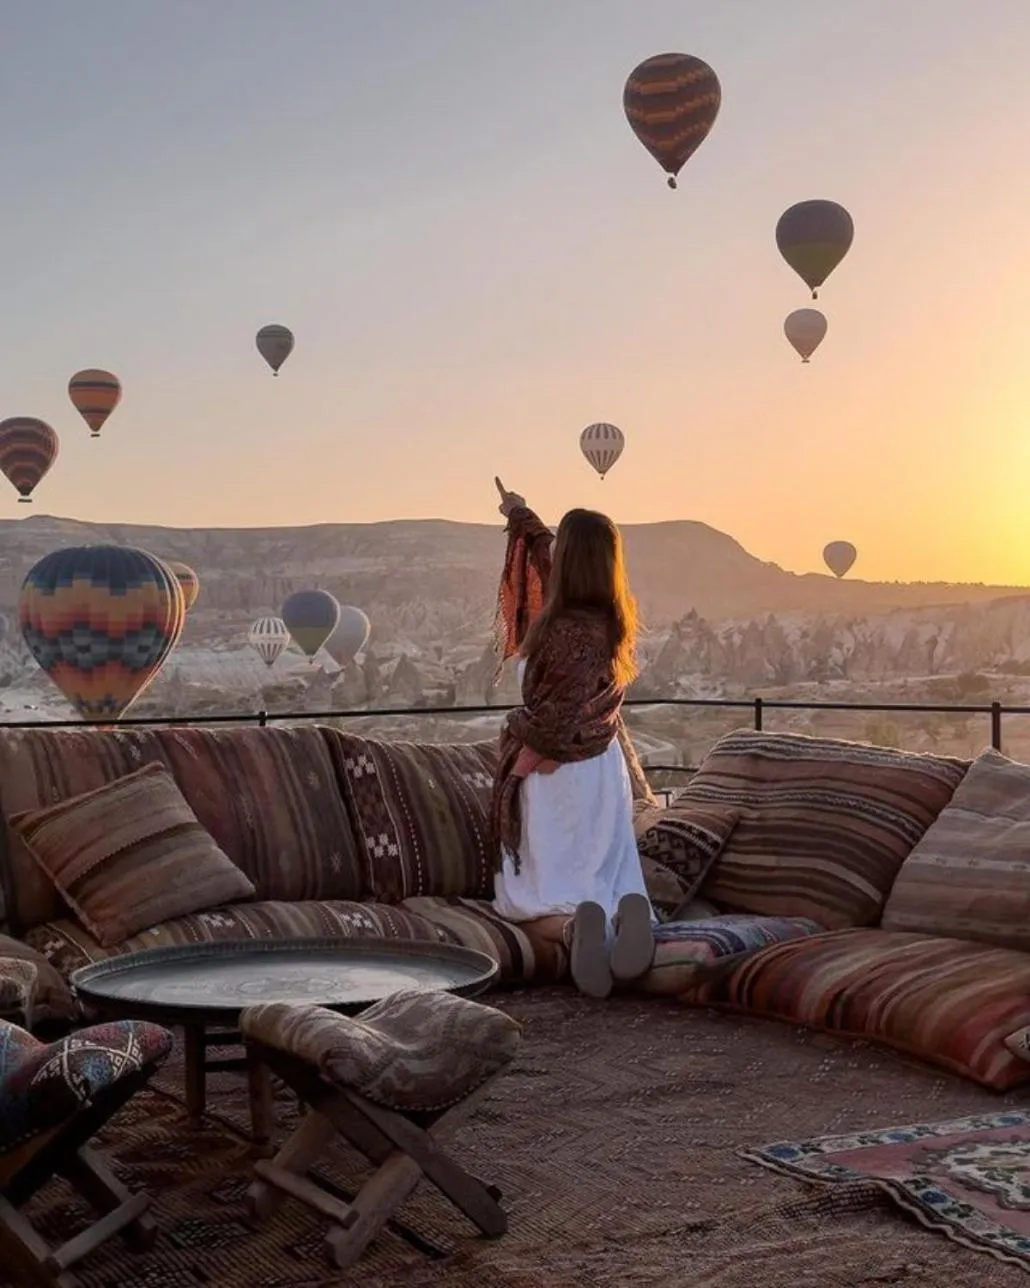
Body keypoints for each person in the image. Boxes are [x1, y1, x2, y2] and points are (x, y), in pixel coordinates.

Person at [488, 477, 656, 999]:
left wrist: (522, 748)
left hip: (556, 773)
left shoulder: (562, 631)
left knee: (530, 897)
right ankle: (621, 919)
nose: (551, 553)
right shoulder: (611, 621)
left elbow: (556, 719)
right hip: (603, 772)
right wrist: (518, 513)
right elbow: (542, 553)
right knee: (600, 876)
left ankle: (573, 931)